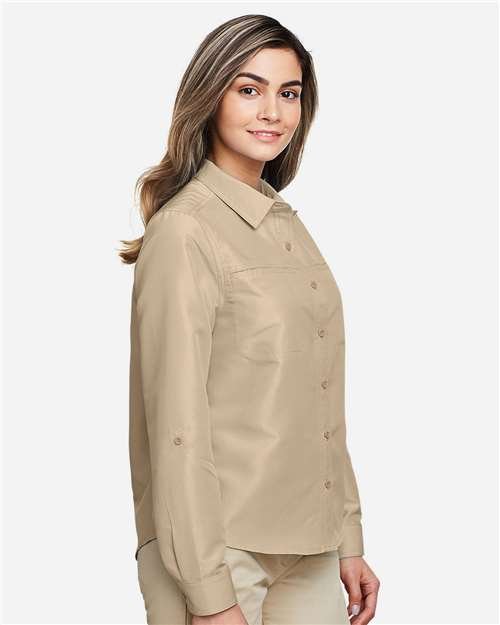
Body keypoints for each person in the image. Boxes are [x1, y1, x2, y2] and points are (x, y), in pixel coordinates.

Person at [119, 13, 380, 625]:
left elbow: (318, 398)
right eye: (248, 88)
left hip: (308, 544)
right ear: (210, 96)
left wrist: (348, 536)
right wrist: (209, 594)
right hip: (218, 548)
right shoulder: (185, 231)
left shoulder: (286, 224)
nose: (272, 111)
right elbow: (175, 426)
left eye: (289, 93)